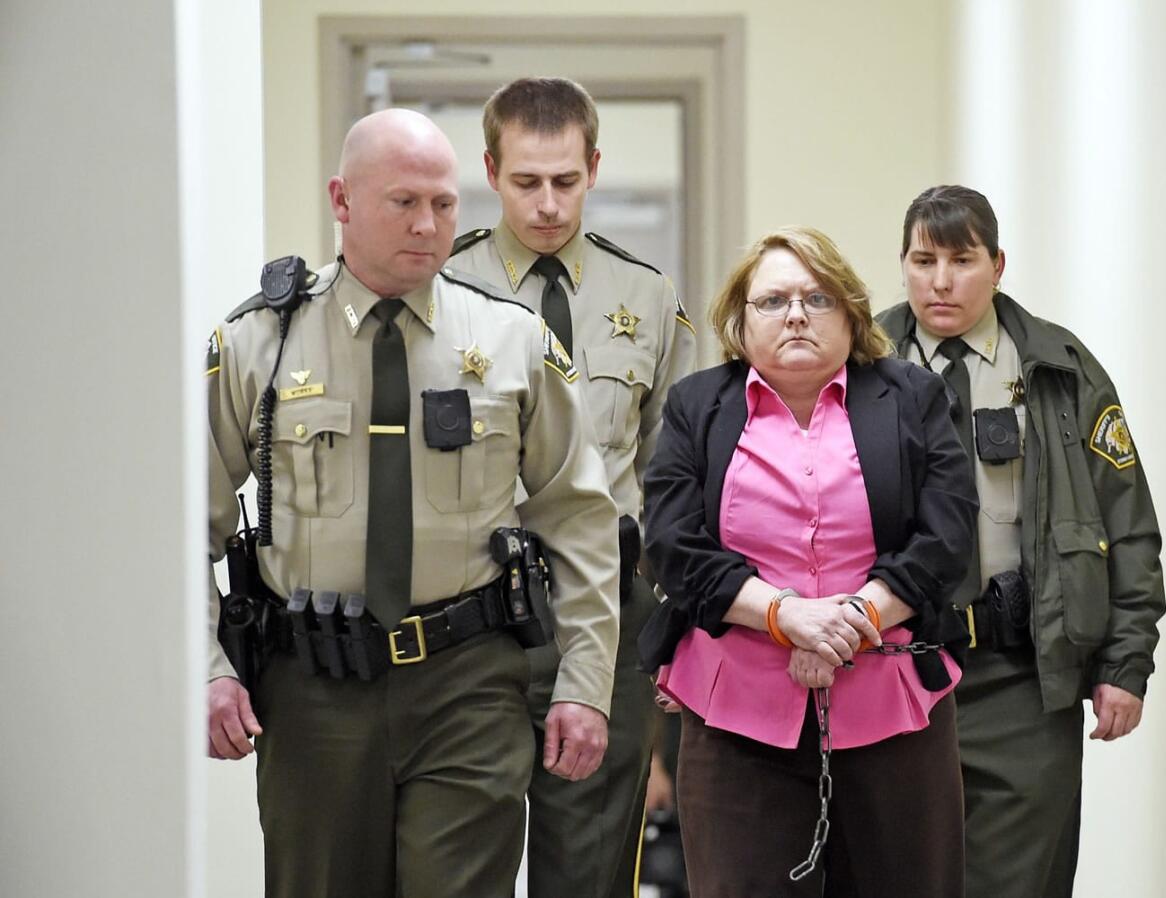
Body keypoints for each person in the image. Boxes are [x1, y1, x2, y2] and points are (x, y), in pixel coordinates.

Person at [205, 108, 621, 898]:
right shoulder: (258, 342)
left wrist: (583, 682)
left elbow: (579, 518)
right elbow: (184, 524)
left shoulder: (512, 340)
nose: (428, 224)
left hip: (469, 681)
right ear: (341, 200)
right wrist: (207, 670)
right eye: (403, 202)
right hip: (313, 686)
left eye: (444, 203)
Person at [639, 226, 978, 897]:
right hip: (737, 718)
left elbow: (946, 536)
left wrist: (848, 621)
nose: (795, 314)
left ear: (851, 313)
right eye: (772, 301)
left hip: (892, 712)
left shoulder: (912, 397)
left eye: (817, 298)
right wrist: (785, 616)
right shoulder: (697, 406)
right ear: (739, 322)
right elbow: (673, 545)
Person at [877, 184, 1166, 898]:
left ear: (998, 264)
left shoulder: (1059, 370)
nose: (940, 281)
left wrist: (1125, 663)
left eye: (961, 260)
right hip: (889, 672)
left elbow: (1125, 520)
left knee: (1019, 882)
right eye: (923, 260)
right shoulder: (859, 365)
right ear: (903, 265)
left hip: (1022, 677)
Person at [448, 77, 696, 898]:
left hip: (605, 615)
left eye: (566, 180)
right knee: (455, 865)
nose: (548, 204)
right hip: (469, 619)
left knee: (590, 869)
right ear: (490, 170)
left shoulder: (647, 297)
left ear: (594, 166)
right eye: (526, 182)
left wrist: (663, 620)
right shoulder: (439, 289)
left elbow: (673, 474)